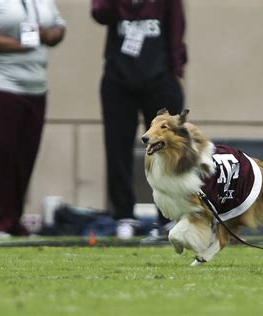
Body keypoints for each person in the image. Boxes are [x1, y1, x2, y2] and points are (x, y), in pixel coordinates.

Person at [91, 0, 187, 240]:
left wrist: (176, 71)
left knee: (165, 151)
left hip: (159, 78)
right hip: (118, 79)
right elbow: (99, 13)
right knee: (117, 147)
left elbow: (177, 26)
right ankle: (124, 215)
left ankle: (167, 217)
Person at [0, 0, 66, 236]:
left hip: (36, 87)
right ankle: (0, 221)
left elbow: (59, 26)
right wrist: (21, 46)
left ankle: (13, 218)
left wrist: (49, 35)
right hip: (3, 84)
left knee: (25, 156)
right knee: (3, 155)